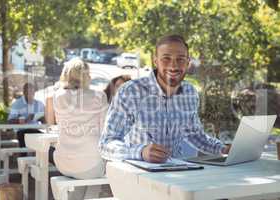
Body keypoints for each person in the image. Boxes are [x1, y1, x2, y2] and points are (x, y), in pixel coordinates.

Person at [99, 34, 231, 163]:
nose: (173, 66)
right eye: (166, 58)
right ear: (155, 61)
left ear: (188, 62)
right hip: (139, 176)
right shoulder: (131, 91)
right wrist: (140, 152)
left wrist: (224, 149)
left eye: (180, 59)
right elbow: (106, 144)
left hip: (177, 174)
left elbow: (195, 135)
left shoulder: (190, 93)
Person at [51, 58, 108, 199]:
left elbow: (60, 125)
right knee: (98, 168)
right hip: (90, 164)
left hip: (63, 162)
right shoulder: (99, 96)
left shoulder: (57, 96)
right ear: (85, 76)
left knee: (83, 175)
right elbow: (105, 131)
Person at [8, 83, 44, 147]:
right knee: (23, 136)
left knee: (44, 140)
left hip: (36, 130)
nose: (31, 95)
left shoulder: (39, 104)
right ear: (24, 92)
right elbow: (10, 121)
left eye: (32, 92)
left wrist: (40, 117)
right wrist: (21, 120)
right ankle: (23, 155)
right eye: (29, 92)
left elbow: (45, 119)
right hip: (22, 131)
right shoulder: (17, 104)